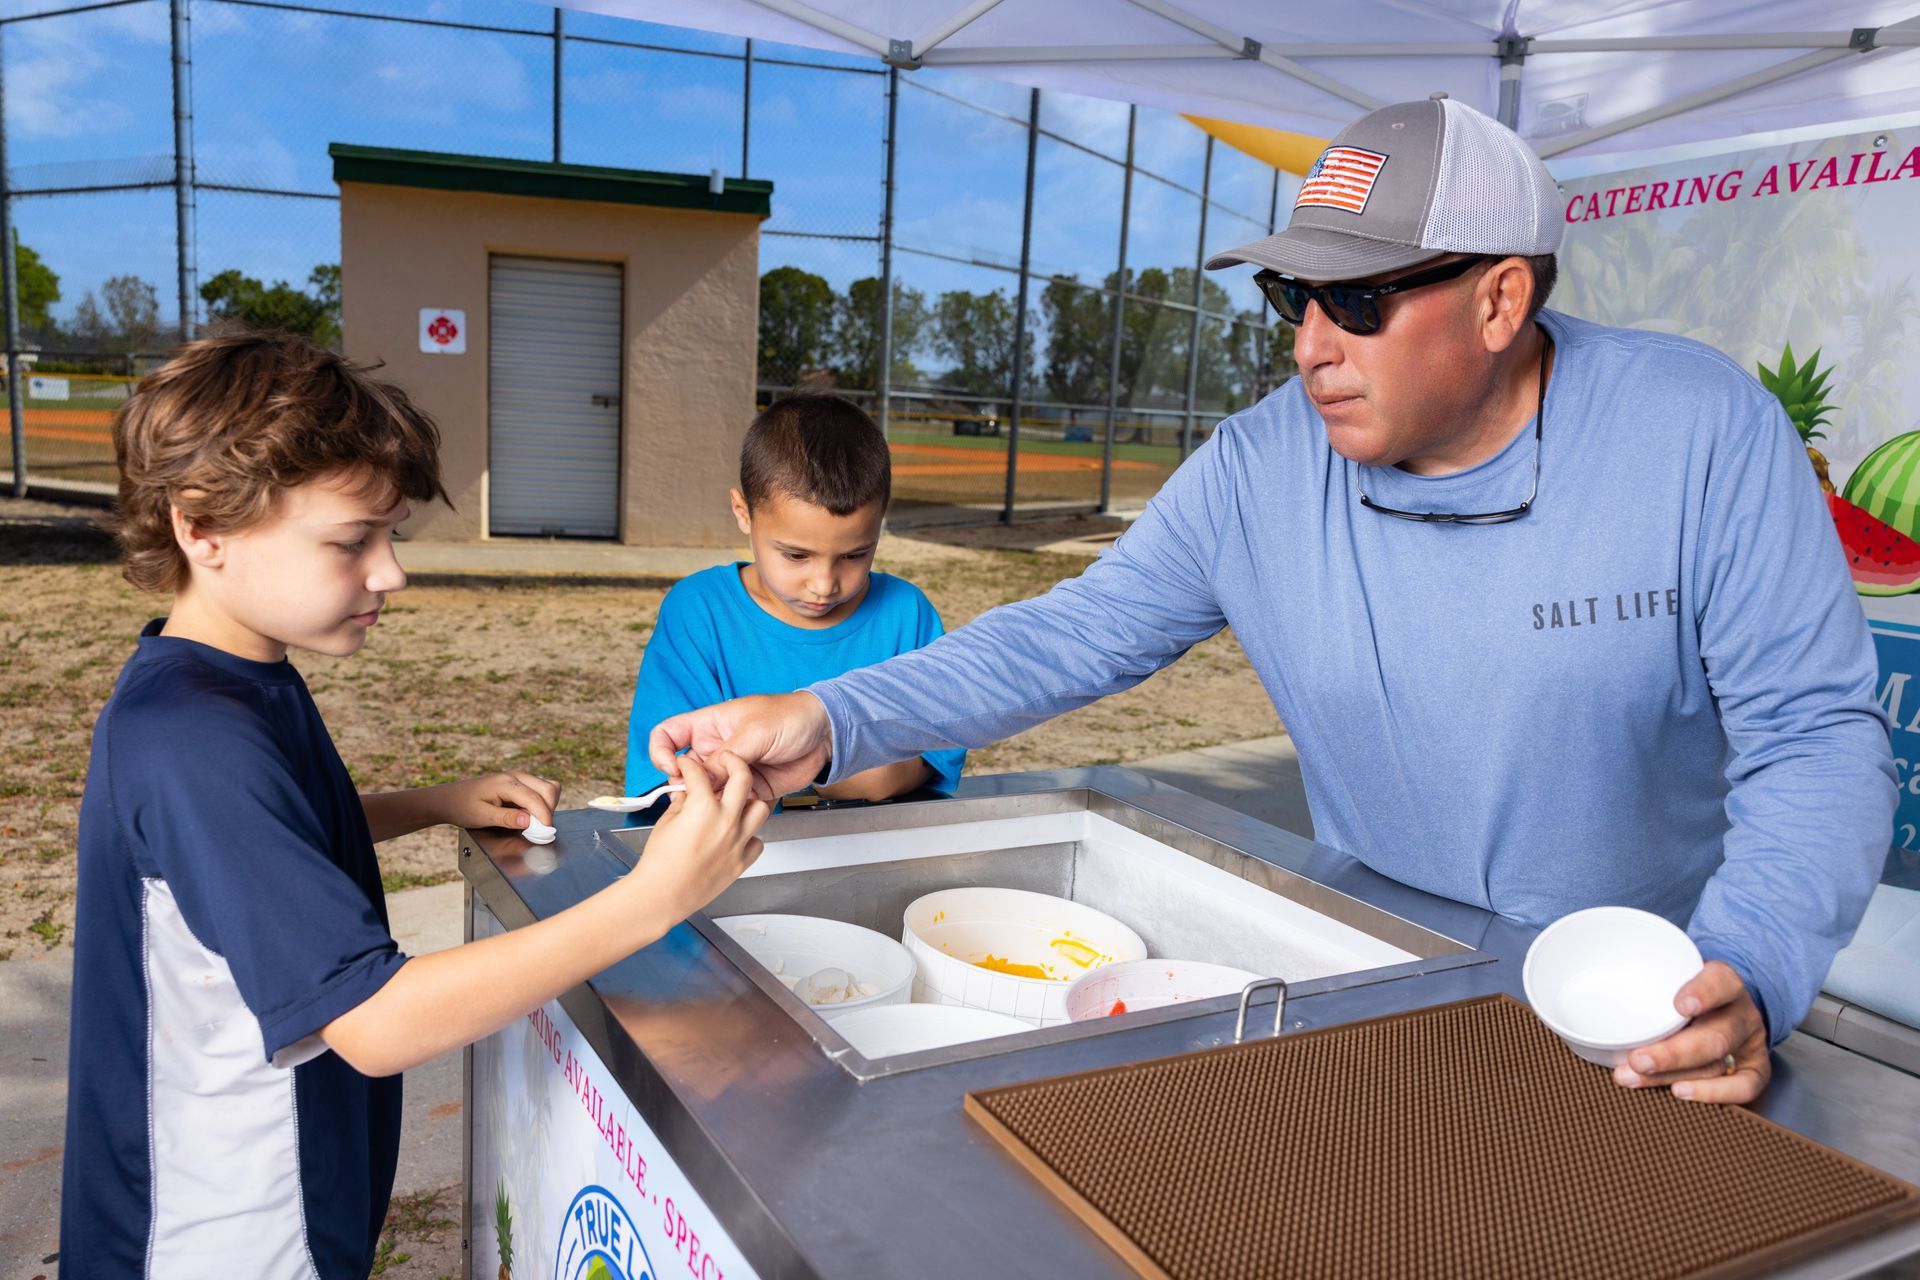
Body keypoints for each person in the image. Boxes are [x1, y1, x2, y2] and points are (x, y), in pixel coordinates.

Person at [650, 98, 1895, 1107]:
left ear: (1502, 301)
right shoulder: (1261, 464)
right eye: (1292, 297)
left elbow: (1818, 735)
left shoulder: (1697, 433)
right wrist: (828, 714)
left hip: (1631, 1017)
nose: (1309, 345)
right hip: (1371, 979)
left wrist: (1754, 966)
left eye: (1357, 301)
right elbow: (1072, 630)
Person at [61, 331, 769, 1276]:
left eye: (389, 537)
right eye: (353, 540)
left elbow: (268, 844)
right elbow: (378, 1022)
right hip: (226, 1232)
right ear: (202, 527)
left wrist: (430, 802)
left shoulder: (220, 680)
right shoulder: (193, 738)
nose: (391, 572)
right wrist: (656, 899)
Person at [622, 392, 962, 805]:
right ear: (743, 512)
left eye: (855, 555)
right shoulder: (699, 611)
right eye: (796, 555)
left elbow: (929, 759)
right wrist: (849, 762)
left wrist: (801, 761)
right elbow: (672, 775)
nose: (824, 584)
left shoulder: (908, 615)